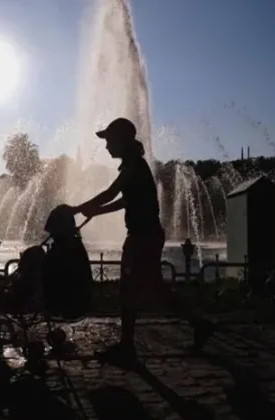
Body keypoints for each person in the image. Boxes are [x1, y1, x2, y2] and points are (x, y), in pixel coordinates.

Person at [70, 117, 214, 364]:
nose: (106, 147)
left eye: (109, 140)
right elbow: (126, 200)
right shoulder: (133, 166)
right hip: (144, 235)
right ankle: (198, 325)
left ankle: (128, 347)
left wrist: (76, 209)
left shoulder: (134, 166)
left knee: (129, 289)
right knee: (154, 288)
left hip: (142, 237)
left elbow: (111, 193)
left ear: (122, 140)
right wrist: (95, 211)